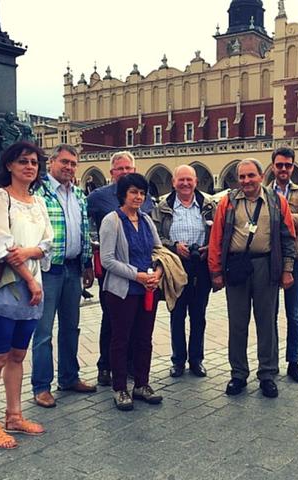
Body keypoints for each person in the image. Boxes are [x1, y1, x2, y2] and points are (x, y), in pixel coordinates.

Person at [0, 140, 53, 449]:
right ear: (9, 165)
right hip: (5, 288)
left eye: (34, 161)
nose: (29, 166)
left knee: (18, 356)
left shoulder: (39, 202)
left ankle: (14, 416)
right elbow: (0, 243)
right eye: (22, 161)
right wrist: (30, 279)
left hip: (33, 290)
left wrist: (31, 253)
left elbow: (48, 242)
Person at [208, 158, 296, 399]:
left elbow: (288, 237)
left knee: (266, 322)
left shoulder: (277, 201)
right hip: (236, 267)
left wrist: (287, 270)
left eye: (251, 176)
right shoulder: (227, 202)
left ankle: (267, 374)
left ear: (260, 176)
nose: (246, 181)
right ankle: (238, 373)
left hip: (266, 266)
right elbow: (216, 237)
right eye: (242, 177)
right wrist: (215, 271)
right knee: (237, 323)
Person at [31, 144, 96, 408]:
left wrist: (88, 262)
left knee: (71, 327)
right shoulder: (38, 192)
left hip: (73, 268)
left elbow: (84, 232)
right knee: (43, 331)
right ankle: (41, 386)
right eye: (64, 162)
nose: (69, 168)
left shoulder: (79, 195)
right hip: (48, 269)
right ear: (52, 163)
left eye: (73, 164)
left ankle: (69, 377)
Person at [87, 151, 153, 386]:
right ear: (112, 172)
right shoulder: (97, 199)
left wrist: (156, 272)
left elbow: (154, 245)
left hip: (143, 282)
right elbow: (88, 229)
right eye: (121, 169)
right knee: (113, 325)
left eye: (129, 168)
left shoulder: (145, 212)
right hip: (116, 277)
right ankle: (108, 368)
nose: (137, 196)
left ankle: (133, 369)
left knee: (138, 330)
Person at [99, 173, 164, 410]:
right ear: (123, 195)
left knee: (143, 339)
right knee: (120, 339)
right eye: (133, 192)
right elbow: (107, 260)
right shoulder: (112, 220)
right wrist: (136, 275)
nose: (138, 197)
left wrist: (157, 273)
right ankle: (119, 388)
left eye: (142, 193)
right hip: (122, 291)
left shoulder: (146, 220)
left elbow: (158, 250)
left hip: (148, 289)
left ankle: (141, 384)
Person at [152, 165, 215, 378]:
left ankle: (196, 360)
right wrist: (173, 246)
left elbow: (218, 232)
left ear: (196, 182)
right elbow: (156, 236)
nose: (185, 184)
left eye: (189, 180)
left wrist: (209, 247)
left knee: (199, 315)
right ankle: (178, 360)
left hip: (201, 265)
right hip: (174, 266)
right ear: (173, 182)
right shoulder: (162, 206)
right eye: (181, 180)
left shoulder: (208, 205)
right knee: (177, 314)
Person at [270, 147, 298, 383]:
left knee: (294, 315)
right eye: (280, 165)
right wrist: (293, 217)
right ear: (273, 167)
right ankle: (272, 361)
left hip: (296, 259)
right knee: (270, 315)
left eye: (288, 165)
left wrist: (278, 216)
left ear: (293, 166)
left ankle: (293, 362)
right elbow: (263, 221)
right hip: (270, 259)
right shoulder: (266, 193)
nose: (284, 169)